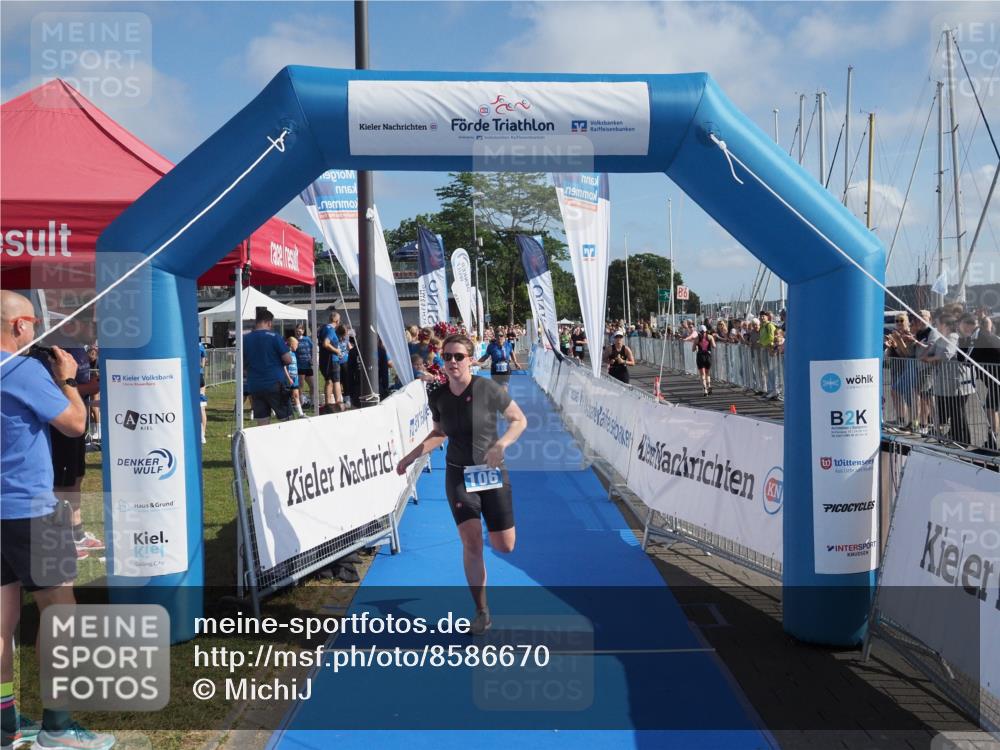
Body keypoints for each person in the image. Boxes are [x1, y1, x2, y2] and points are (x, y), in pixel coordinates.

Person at [1, 291, 115, 750]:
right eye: (32, 321)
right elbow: (73, 423)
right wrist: (67, 379)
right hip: (30, 509)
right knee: (61, 618)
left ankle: (5, 726)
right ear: (18, 326)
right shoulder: (22, 369)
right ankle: (58, 726)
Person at [395, 334, 527, 635]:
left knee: (504, 546)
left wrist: (501, 445)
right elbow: (439, 433)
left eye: (458, 356)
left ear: (471, 359)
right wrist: (409, 458)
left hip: (491, 473)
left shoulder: (487, 388)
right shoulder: (438, 395)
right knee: (471, 541)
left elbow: (519, 420)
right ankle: (482, 612)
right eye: (447, 356)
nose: (452, 362)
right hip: (458, 475)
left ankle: (492, 527)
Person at [243, 308, 293, 426]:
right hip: (274, 383)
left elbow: (243, 363)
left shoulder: (245, 339)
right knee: (286, 419)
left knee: (262, 421)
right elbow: (288, 359)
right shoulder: (274, 337)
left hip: (255, 385)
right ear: (269, 322)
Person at [317, 311, 345, 413]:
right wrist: (336, 350)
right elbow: (326, 343)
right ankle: (339, 404)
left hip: (324, 360)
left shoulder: (322, 328)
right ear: (337, 321)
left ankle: (328, 405)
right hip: (332, 360)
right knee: (336, 381)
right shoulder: (331, 330)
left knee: (328, 381)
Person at [293, 324, 314, 409]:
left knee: (312, 385)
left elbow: (313, 349)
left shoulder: (307, 339)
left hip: (308, 366)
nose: (298, 332)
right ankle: (301, 403)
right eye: (297, 330)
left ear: (303, 331)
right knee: (301, 386)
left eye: (300, 330)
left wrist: (312, 358)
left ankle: (313, 403)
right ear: (295, 331)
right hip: (300, 366)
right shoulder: (294, 340)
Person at [285, 335, 305, 418]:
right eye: (296, 345)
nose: (297, 346)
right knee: (287, 397)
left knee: (296, 395)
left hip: (295, 378)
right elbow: (284, 367)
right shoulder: (286, 353)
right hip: (288, 378)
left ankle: (300, 413)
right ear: (292, 344)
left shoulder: (294, 354)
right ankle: (288, 414)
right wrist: (288, 378)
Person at [693, 324, 715, 395]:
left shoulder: (697, 338)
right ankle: (709, 385)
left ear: (699, 331)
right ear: (706, 331)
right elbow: (714, 346)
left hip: (700, 356)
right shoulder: (710, 337)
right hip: (708, 356)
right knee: (707, 373)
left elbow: (693, 349)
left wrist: (697, 346)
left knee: (702, 374)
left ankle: (705, 390)